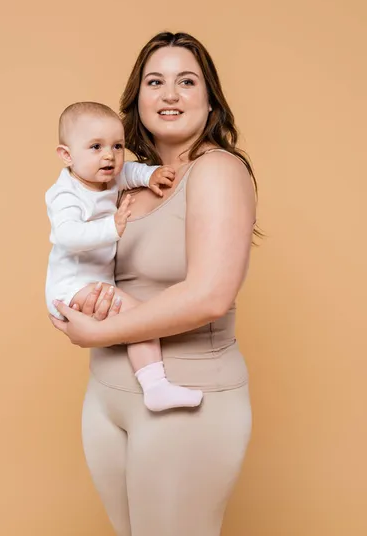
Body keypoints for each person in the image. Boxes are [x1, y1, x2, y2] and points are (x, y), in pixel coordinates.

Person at [50, 31, 258, 536]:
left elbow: (211, 294)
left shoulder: (218, 171)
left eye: (187, 81)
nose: (169, 94)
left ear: (210, 101)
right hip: (107, 393)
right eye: (155, 81)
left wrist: (96, 333)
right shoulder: (127, 178)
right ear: (136, 98)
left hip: (188, 394)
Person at [45, 101, 203, 411]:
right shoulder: (65, 194)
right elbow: (66, 236)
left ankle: (146, 384)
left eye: (117, 146)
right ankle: (155, 386)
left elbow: (129, 171)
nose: (109, 156)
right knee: (139, 318)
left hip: (95, 280)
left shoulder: (107, 175)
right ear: (67, 155)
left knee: (133, 321)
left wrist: (151, 175)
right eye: (95, 147)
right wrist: (112, 227)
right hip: (70, 287)